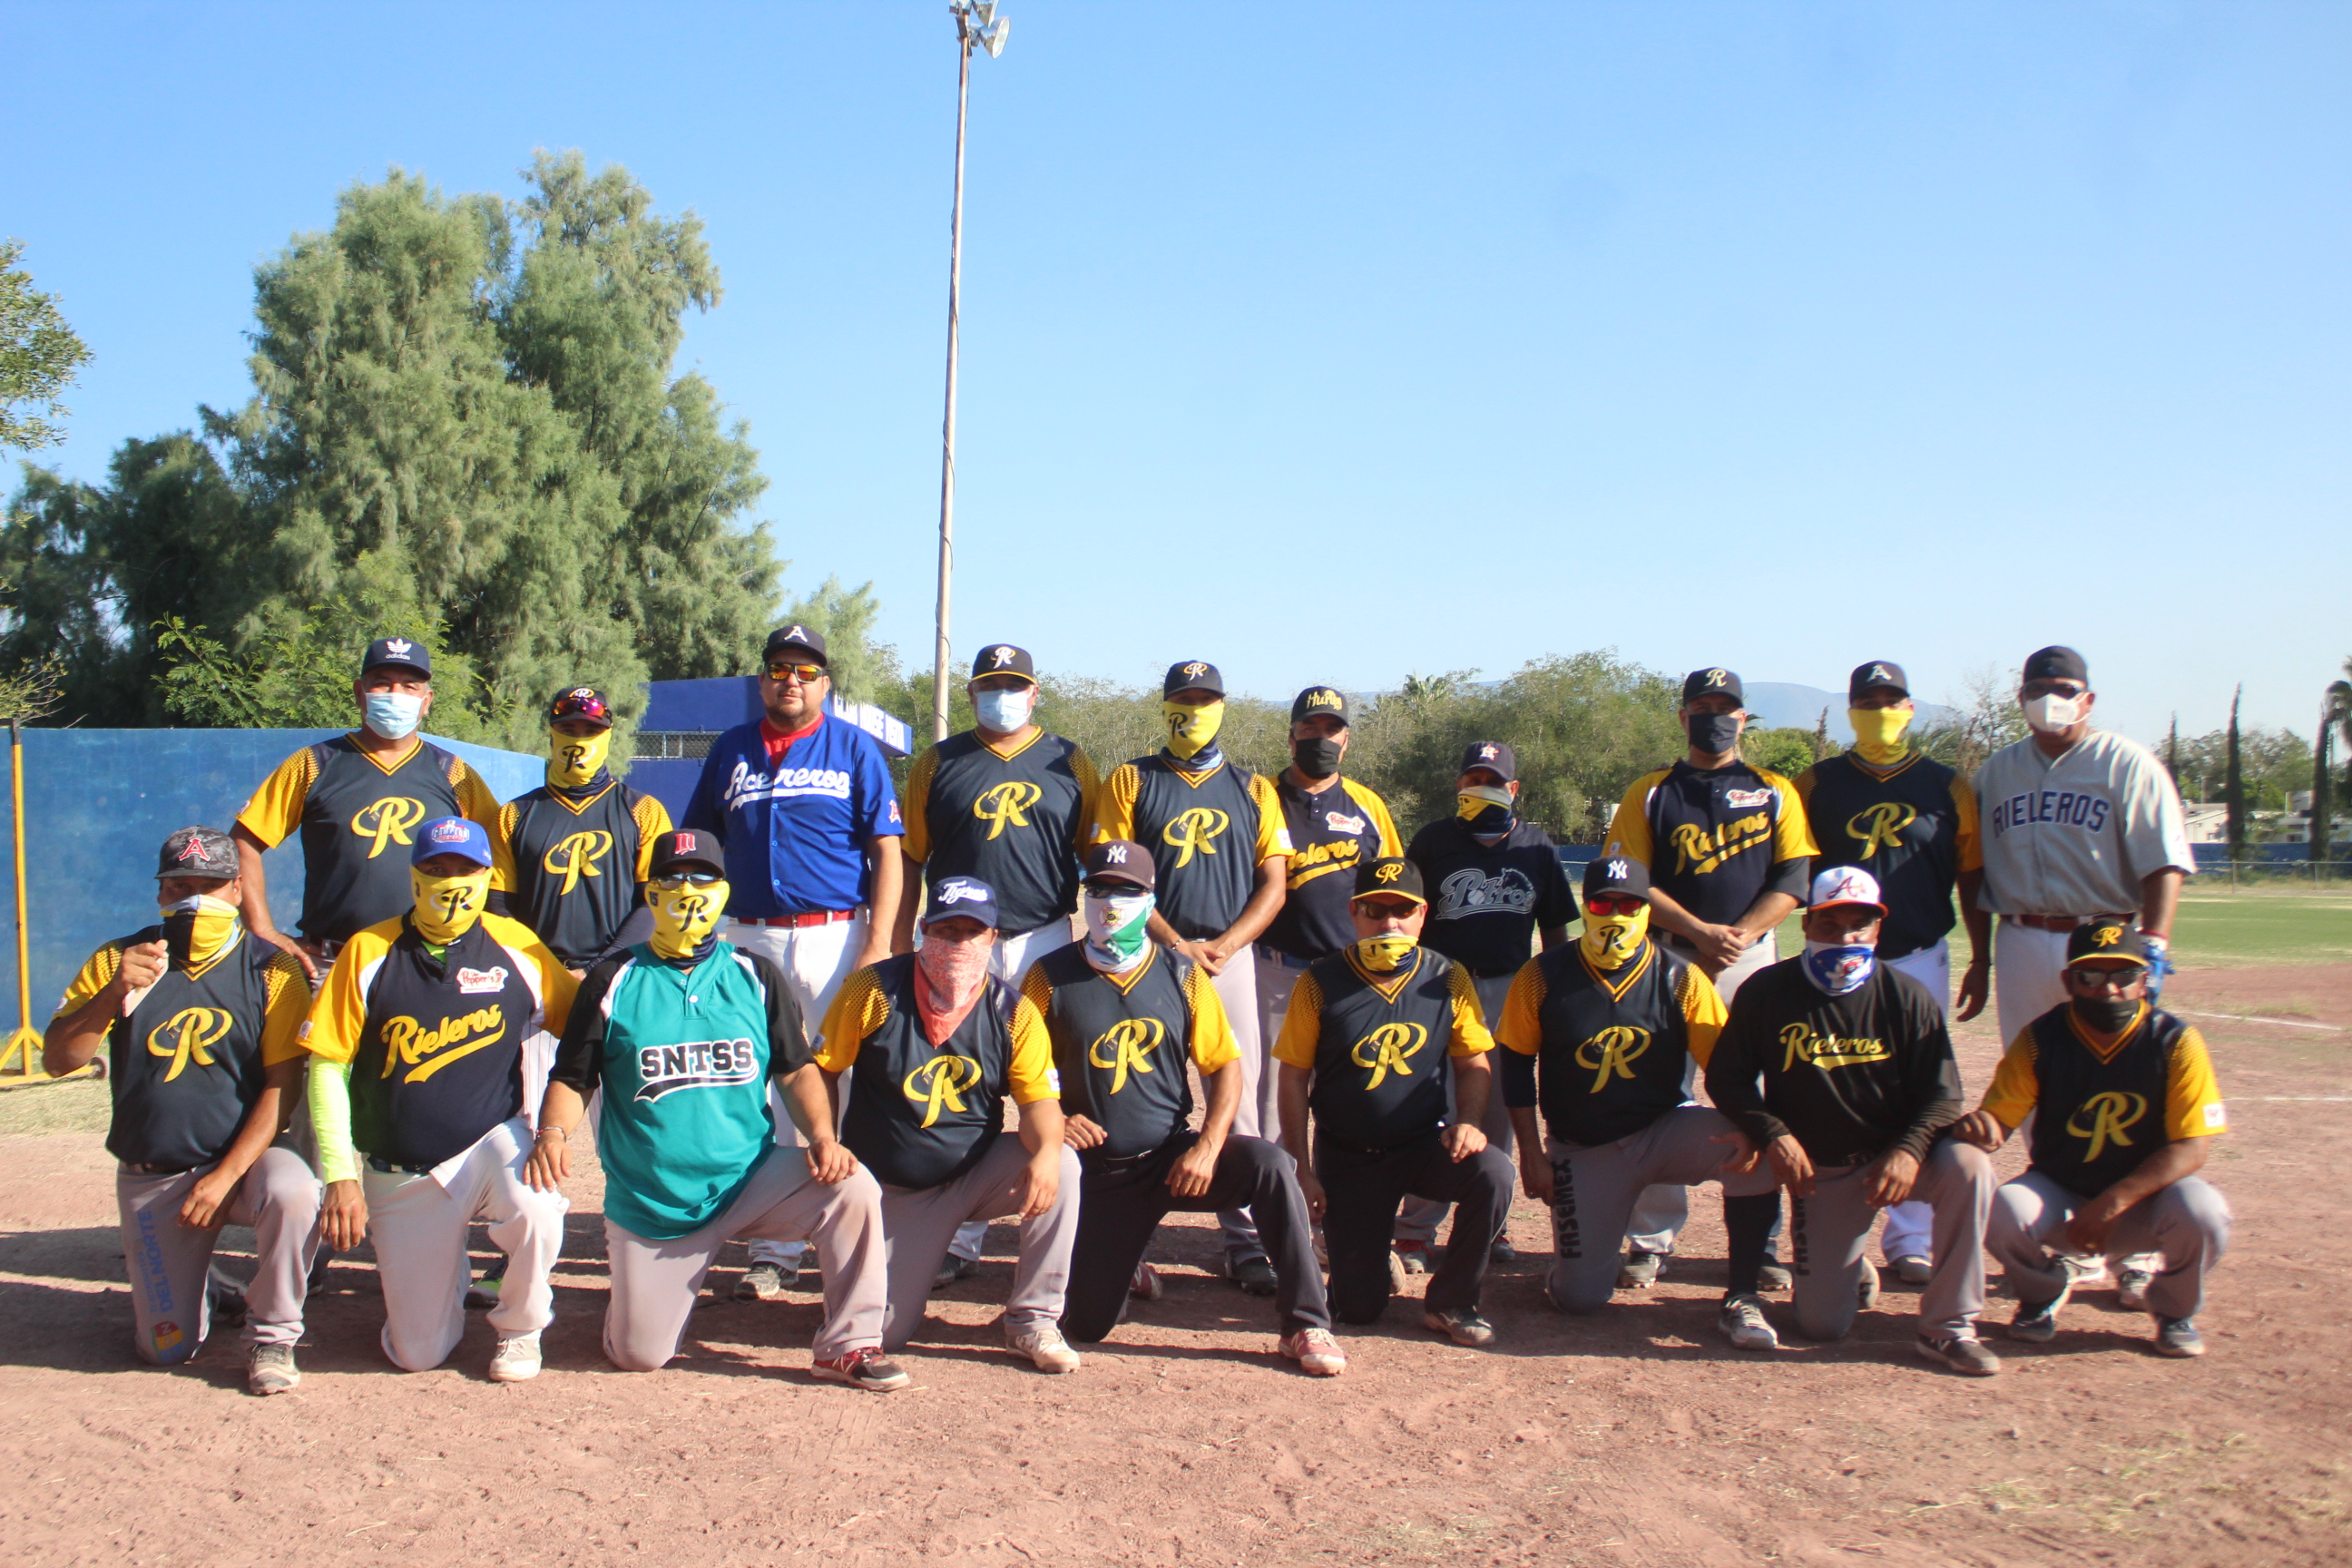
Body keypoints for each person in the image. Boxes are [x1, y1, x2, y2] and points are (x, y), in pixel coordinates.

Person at [524, 828, 906, 1389]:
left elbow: (797, 1069)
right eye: (671, 878)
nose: (687, 889)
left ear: (724, 891)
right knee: (638, 1355)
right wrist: (553, 1132)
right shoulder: (614, 978)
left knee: (852, 1188)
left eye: (702, 877)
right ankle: (631, 1310)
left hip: (751, 1176)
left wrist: (823, 1134)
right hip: (655, 1201)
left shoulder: (755, 974)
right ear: (650, 894)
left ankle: (849, 1345)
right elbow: (573, 1077)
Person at [1034, 839, 1344, 1375]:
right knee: (1087, 1326)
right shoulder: (1050, 975)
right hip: (1100, 1175)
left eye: (1127, 892)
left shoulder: (1181, 974)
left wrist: (1207, 1145)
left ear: (1151, 901)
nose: (1111, 902)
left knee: (1270, 1166)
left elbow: (1225, 1067)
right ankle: (1126, 1265)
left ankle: (1305, 1323)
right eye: (1099, 890)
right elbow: (1020, 1070)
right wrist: (1054, 1117)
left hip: (1173, 1159)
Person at [44, 827, 320, 1395]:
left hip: (244, 1166)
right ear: (161, 895)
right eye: (179, 886)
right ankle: (213, 1290)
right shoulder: (121, 958)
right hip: (157, 1169)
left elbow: (281, 1090)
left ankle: (272, 1332)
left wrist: (223, 1178)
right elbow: (58, 1061)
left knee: (295, 1190)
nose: (194, 899)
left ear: (238, 889)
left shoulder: (271, 968)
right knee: (165, 1349)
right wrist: (110, 996)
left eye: (210, 885)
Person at [299, 816, 577, 1381]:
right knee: (417, 1354)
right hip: (400, 1165)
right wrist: (339, 1174)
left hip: (491, 1143)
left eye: (467, 869)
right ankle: (441, 1275)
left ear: (487, 874)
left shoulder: (515, 944)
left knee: (538, 1208)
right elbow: (327, 1065)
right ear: (415, 876)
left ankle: (521, 1330)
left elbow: (584, 1028)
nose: (452, 882)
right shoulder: (369, 950)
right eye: (437, 868)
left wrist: (553, 1127)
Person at [681, 623, 906, 1301]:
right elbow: (699, 841)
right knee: (755, 1079)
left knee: (836, 1078)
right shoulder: (732, 750)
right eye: (781, 669)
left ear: (825, 683)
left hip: (836, 934)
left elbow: (888, 850)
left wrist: (878, 942)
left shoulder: (855, 749)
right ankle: (774, 1246)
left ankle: (847, 1230)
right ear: (763, 680)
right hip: (748, 935)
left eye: (806, 672)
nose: (793, 681)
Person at [1703, 867, 2000, 1376]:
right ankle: (1842, 1262)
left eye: (1858, 925)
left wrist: (1908, 1150)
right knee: (1823, 1326)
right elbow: (1727, 1080)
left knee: (1970, 1168)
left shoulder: (1906, 996)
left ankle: (1948, 1328)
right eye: (1830, 924)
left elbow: (1944, 1095)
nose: (1845, 937)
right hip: (1826, 1171)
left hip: (1900, 1158)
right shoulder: (1769, 990)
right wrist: (1771, 1131)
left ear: (1878, 930)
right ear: (1808, 923)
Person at [1972, 644, 2196, 1311]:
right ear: (2021, 698)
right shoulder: (1998, 772)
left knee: (2133, 1086)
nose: (2051, 697)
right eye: (2039, 687)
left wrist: (2153, 943)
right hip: (2021, 935)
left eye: (2065, 687)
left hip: (2106, 942)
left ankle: (2143, 1245)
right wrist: (1981, 958)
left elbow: (2164, 861)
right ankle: (2068, 1234)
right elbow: (1976, 870)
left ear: (2089, 698)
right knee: (2041, 1085)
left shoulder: (2127, 763)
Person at [812, 877, 1084, 1373]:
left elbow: (1039, 1101)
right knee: (885, 1334)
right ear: (923, 930)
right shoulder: (873, 990)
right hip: (893, 1189)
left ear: (992, 939)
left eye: (973, 933)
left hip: (975, 1175)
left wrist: (1045, 1152)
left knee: (1062, 1162)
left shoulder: (1013, 1012)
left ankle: (1033, 1320)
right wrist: (826, 1139)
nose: (959, 944)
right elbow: (822, 1070)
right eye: (947, 930)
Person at [1601, 667, 1818, 1288]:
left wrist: (1742, 933)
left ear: (1745, 717)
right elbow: (1631, 878)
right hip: (1670, 955)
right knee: (1662, 1092)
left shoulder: (1773, 788)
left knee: (1759, 1094)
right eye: (1703, 704)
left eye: (1727, 706)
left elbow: (1794, 879)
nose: (1715, 715)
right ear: (1683, 716)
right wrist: (1700, 932)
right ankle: (1651, 1239)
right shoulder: (1652, 791)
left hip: (1750, 957)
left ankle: (1762, 1243)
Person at [892, 643, 1098, 1288]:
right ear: (971, 692)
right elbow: (910, 857)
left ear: (1035, 693)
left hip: (1044, 935)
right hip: (958, 943)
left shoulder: (1070, 760)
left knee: (1056, 1080)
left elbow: (1100, 854)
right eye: (989, 684)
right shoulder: (940, 761)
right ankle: (964, 1231)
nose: (1000, 694)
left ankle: (1071, 1226)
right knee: (962, 1076)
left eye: (1013, 684)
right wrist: (902, 942)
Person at [1090, 660, 1294, 1297]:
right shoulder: (1132, 778)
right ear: (1167, 705)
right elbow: (1110, 877)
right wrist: (1177, 943)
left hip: (1229, 961)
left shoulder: (1254, 787)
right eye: (1184, 698)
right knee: (1134, 1096)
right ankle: (1129, 1244)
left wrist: (1225, 946)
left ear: (1223, 707)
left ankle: (1247, 1241)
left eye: (1206, 699)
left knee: (1241, 1099)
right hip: (1149, 955)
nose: (1195, 708)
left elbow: (1276, 883)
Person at [1495, 854, 1775, 1314]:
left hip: (1664, 1132)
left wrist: (1760, 1128)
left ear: (1647, 909)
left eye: (1630, 905)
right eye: (1604, 906)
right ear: (1587, 907)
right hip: (1584, 1147)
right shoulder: (1542, 975)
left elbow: (1726, 1070)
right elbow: (1516, 1066)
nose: (1617, 916)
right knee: (1579, 1298)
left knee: (1757, 1147)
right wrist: (1531, 1154)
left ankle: (1743, 1292)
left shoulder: (1681, 977)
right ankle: (1573, 1268)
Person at [1794, 660, 1991, 1288]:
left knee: (1915, 1095)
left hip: (1917, 955)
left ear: (1909, 708)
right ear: (1851, 709)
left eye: (1892, 698)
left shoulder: (1946, 785)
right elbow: (1789, 867)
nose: (1880, 708)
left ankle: (1911, 1238)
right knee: (1824, 1078)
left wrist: (1982, 957)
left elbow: (1972, 876)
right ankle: (1815, 1226)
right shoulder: (1817, 782)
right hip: (1831, 959)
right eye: (1868, 699)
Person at [1952, 921, 2230, 1358]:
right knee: (2001, 1207)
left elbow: (2193, 1147)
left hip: (2146, 1204)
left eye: (2123, 976)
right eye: (2092, 976)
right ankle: (2042, 1293)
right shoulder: (2040, 1040)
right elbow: (1998, 1121)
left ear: (2145, 979)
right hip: (2063, 1197)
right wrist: (1979, 1130)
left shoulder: (2176, 1042)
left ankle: (2174, 1310)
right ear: (2068, 980)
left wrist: (2113, 1202)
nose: (2109, 990)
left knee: (2205, 1211)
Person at [1272, 858, 1514, 1347]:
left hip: (1422, 1145)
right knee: (1359, 1310)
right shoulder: (1320, 981)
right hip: (1349, 1158)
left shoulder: (1448, 977)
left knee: (1494, 1172)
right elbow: (1294, 1077)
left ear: (1423, 914)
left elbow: (1474, 1063)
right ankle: (1369, 1253)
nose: (1390, 923)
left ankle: (1452, 1301)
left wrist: (1468, 1120)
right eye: (1376, 911)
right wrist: (1302, 1164)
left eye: (1402, 911)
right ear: (1354, 913)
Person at [1396, 738, 1576, 1273]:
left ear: (1513, 789)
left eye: (1493, 781)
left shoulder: (1538, 847)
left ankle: (1489, 1226)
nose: (1483, 788)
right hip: (1441, 987)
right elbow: (1409, 916)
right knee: (1434, 1104)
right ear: (1459, 785)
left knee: (1497, 1111)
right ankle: (1415, 1229)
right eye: (1474, 779)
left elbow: (1555, 928)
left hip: (1510, 988)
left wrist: (1556, 989)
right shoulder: (1433, 841)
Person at [233, 636, 503, 980]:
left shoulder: (455, 774)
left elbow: (501, 853)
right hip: (329, 964)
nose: (396, 695)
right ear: (360, 693)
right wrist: (263, 931)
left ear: (426, 701)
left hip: (424, 961)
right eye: (382, 684)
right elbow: (244, 842)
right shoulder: (312, 765)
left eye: (410, 686)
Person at [491, 685, 674, 976]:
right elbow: (498, 904)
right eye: (568, 728)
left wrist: (598, 969)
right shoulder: (513, 814)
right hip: (535, 975)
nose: (578, 739)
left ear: (608, 735)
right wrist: (540, 967)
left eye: (590, 730)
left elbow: (655, 902)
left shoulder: (644, 810)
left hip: (620, 974)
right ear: (551, 733)